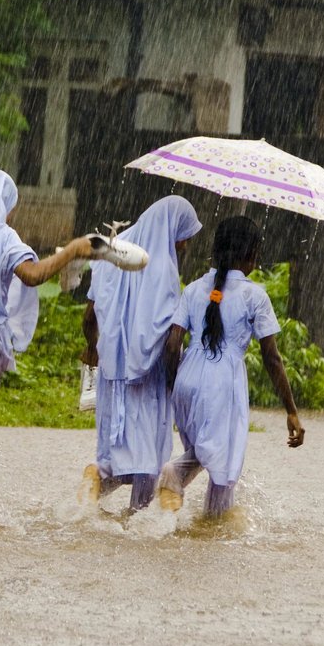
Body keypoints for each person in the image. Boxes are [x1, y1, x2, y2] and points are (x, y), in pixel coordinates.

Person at [0, 169, 139, 526]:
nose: (10, 214)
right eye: (9, 206)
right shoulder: (4, 237)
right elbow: (33, 275)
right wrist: (73, 252)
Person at [157, 216, 305, 517]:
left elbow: (172, 345)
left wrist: (175, 385)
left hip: (188, 378)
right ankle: (212, 528)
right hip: (223, 383)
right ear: (251, 254)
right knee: (223, 469)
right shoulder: (254, 295)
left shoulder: (194, 289)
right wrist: (291, 410)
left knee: (205, 448)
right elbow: (271, 357)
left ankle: (176, 478)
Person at [79, 196, 202, 512]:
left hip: (112, 375)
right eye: (184, 234)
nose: (185, 244)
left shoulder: (113, 253)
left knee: (116, 450)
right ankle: (139, 526)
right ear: (172, 229)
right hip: (147, 378)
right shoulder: (162, 269)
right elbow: (166, 337)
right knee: (148, 460)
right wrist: (174, 377)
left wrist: (94, 348)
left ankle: (98, 475)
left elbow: (89, 316)